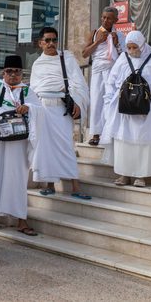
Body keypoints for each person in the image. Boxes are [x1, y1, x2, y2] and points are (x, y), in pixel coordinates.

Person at [101, 31, 151, 187]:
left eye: (134, 47)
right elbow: (111, 81)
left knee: (145, 141)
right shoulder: (123, 58)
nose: (131, 51)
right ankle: (124, 174)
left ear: (142, 45)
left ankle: (141, 176)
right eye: (128, 48)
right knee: (124, 141)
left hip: (149, 107)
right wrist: (109, 101)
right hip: (125, 106)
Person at [29, 27, 91, 200]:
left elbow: (78, 82)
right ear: (40, 43)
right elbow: (33, 90)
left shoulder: (67, 58)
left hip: (61, 109)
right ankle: (50, 185)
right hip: (43, 110)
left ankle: (75, 186)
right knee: (46, 148)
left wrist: (78, 102)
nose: (51, 44)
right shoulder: (37, 64)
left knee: (66, 147)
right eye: (47, 40)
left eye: (54, 40)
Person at [0, 55, 41, 236]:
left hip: (18, 142)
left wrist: (28, 108)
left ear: (21, 73)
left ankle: (21, 220)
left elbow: (38, 109)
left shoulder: (26, 90)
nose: (13, 75)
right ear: (4, 72)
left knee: (18, 179)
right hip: (0, 139)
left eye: (17, 71)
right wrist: (11, 112)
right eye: (9, 71)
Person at [82, 6, 125, 146]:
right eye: (103, 17)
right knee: (96, 102)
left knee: (112, 101)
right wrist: (97, 41)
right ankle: (95, 134)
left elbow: (124, 56)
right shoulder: (94, 33)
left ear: (115, 20)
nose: (105, 20)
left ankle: (110, 132)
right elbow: (84, 53)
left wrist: (117, 44)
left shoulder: (120, 36)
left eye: (109, 18)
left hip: (113, 71)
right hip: (98, 71)